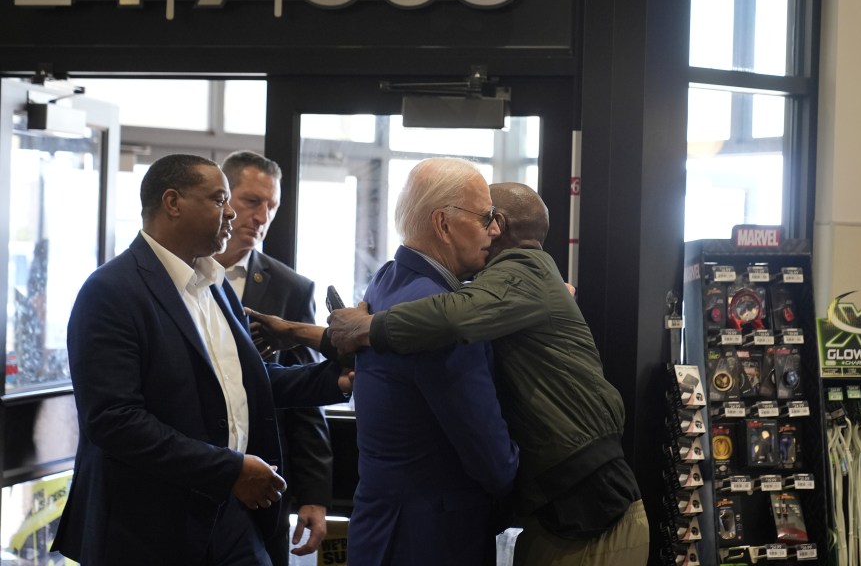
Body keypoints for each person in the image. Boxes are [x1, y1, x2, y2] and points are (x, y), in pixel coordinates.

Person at [324, 182, 650, 566]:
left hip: (592, 511)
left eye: (489, 219)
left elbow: (454, 316)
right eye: (481, 219)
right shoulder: (494, 284)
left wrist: (364, 328)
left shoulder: (522, 269)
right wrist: (306, 332)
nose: (487, 230)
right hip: (565, 512)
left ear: (502, 223)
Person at [51, 154, 351, 566]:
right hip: (148, 526)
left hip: (230, 516)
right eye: (218, 199)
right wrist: (230, 470)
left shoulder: (214, 285)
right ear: (172, 203)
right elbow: (115, 420)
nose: (230, 212)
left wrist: (332, 381)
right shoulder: (110, 291)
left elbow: (246, 382)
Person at [257, 157, 519, 565]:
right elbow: (492, 460)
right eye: (486, 217)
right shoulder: (440, 315)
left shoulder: (387, 277)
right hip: (431, 540)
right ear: (443, 224)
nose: (496, 229)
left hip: (381, 529)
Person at [216, 150, 335, 564]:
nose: (263, 216)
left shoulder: (291, 288)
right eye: (252, 201)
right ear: (223, 199)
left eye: (273, 206)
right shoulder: (181, 276)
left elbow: (305, 398)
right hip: (194, 472)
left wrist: (315, 497)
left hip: (265, 475)